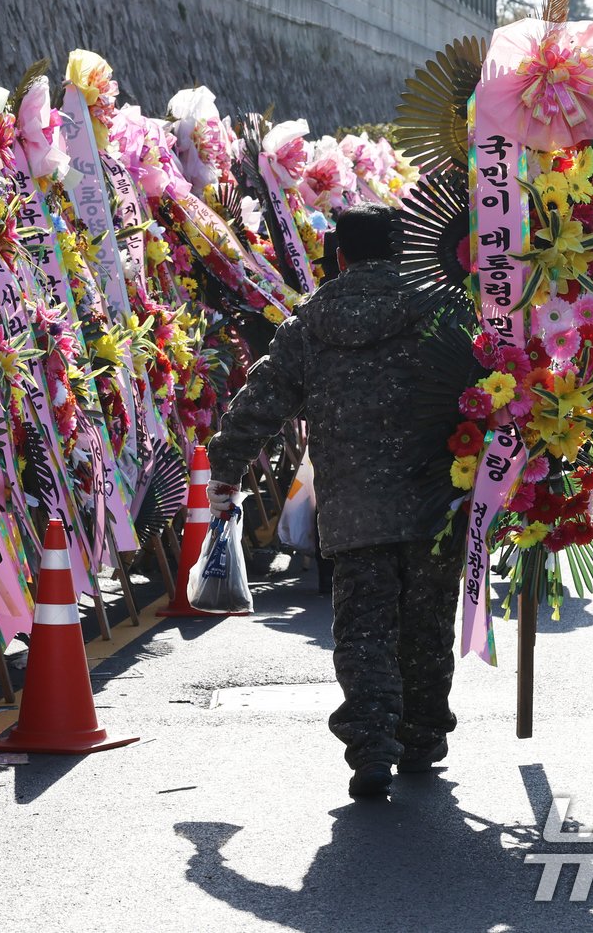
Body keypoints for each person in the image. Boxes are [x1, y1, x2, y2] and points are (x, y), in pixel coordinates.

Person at [206, 203, 468, 799]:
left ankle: (372, 744)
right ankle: (422, 732)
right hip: (433, 499)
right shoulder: (440, 309)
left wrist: (225, 469)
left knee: (363, 629)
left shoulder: (310, 322)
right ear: (402, 249)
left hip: (352, 506)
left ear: (341, 256)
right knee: (426, 625)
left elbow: (261, 400)